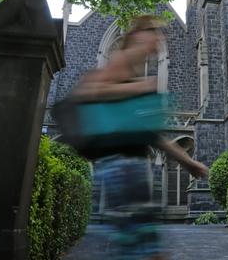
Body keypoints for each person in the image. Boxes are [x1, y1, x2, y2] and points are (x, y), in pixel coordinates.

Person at [72, 15, 208, 260]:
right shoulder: (121, 61)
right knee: (139, 245)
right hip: (118, 167)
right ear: (137, 36)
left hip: (134, 168)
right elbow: (90, 90)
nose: (157, 40)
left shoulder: (136, 70)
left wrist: (188, 162)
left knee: (143, 245)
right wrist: (138, 88)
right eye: (153, 33)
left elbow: (150, 134)